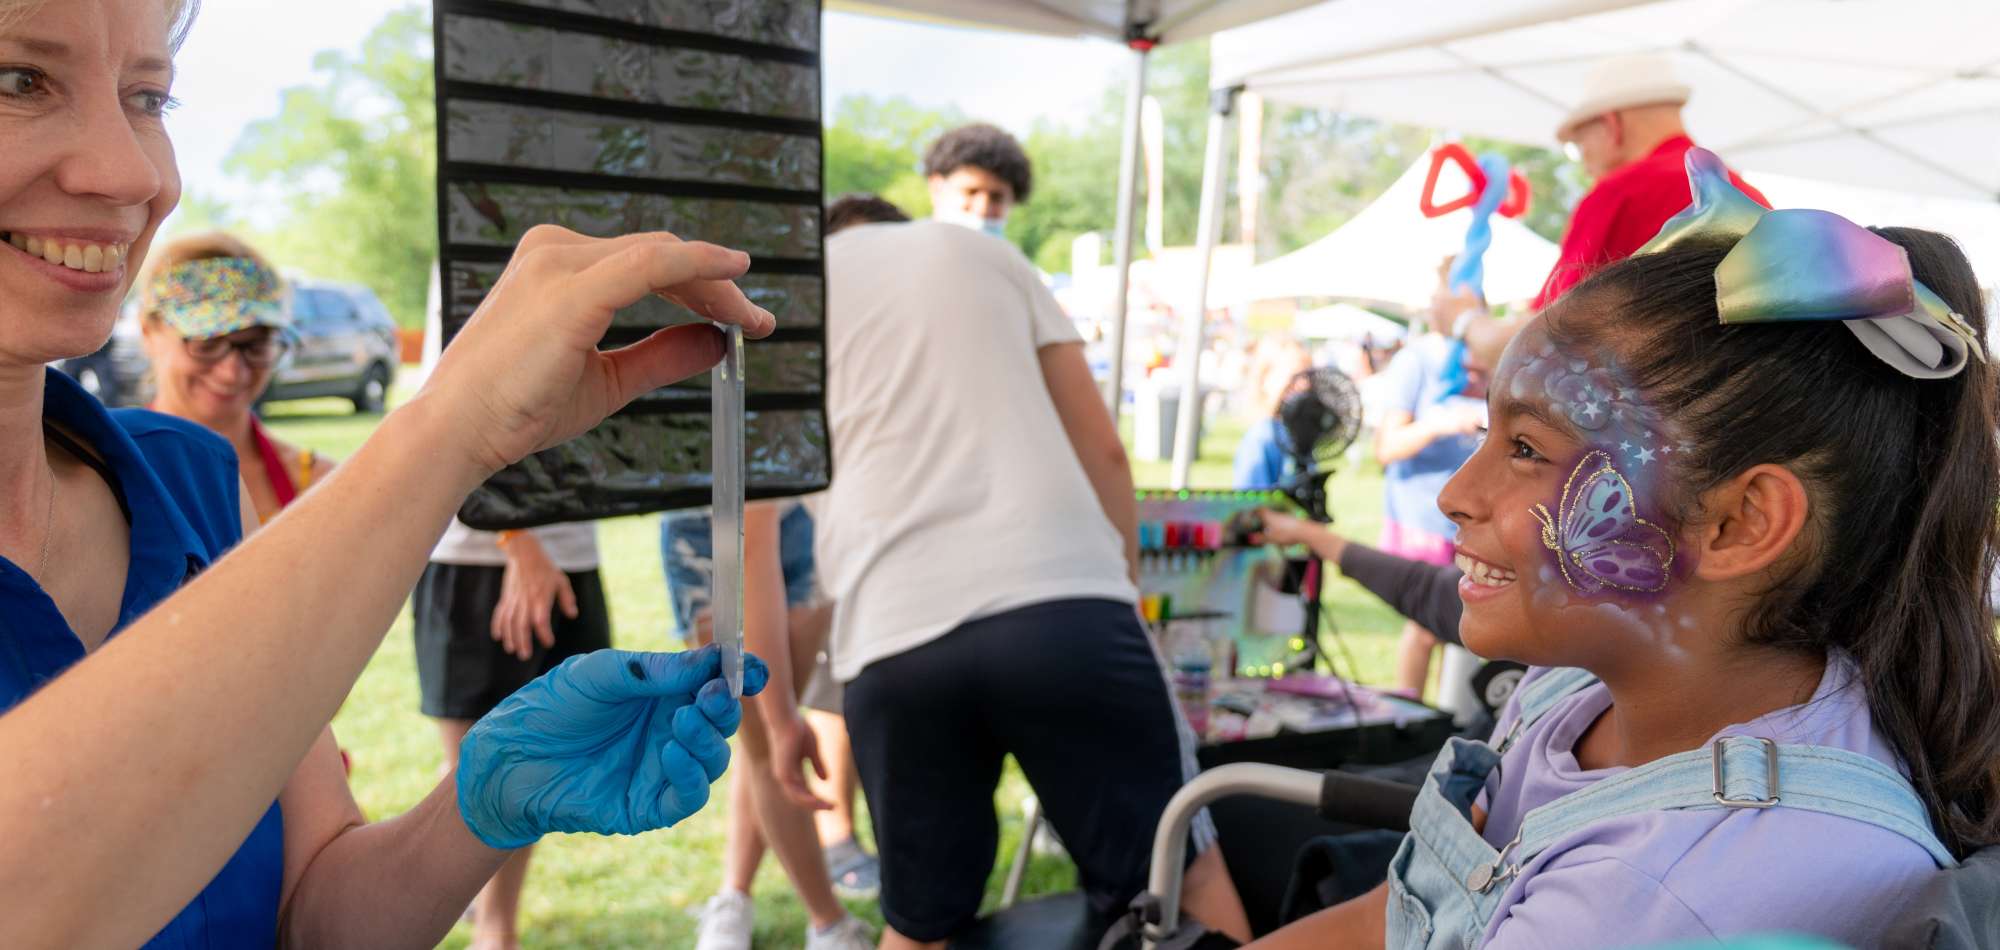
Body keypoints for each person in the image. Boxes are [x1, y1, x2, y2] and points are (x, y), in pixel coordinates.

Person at [0, 0, 776, 944]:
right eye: (19, 80)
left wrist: (481, 802)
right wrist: (451, 426)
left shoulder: (187, 483)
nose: (131, 173)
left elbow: (314, 915)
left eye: (147, 97)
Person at [1250, 152, 1997, 948]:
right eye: (1486, 434)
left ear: (1738, 524)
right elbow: (1383, 921)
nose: (1455, 494)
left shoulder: (1668, 891)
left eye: (1528, 449)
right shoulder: (1583, 685)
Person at [806, 210, 1251, 949]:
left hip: (892, 636)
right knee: (1182, 881)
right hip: (1063, 599)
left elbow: (756, 531)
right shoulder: (981, 252)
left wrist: (774, 721)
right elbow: (1105, 452)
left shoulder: (789, 301)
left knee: (917, 925)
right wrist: (1124, 596)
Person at [673, 193, 912, 950]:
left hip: (800, 528)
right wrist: (782, 719)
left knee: (765, 749)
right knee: (766, 733)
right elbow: (750, 547)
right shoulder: (770, 349)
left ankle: (734, 897)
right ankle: (826, 923)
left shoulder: (874, 346)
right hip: (714, 525)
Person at [414, 516, 609, 950]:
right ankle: (492, 933)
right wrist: (515, 540)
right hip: (479, 560)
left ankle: (495, 928)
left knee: (536, 771)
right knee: (479, 774)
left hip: (573, 556)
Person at [1534, 53, 1768, 308]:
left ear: (1612, 126)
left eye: (1580, 144)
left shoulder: (1621, 193)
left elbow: (1551, 319)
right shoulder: (1746, 194)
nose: (1585, 165)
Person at [135, 232, 335, 521]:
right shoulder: (105, 476)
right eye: (207, 344)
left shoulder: (316, 484)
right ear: (148, 334)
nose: (231, 373)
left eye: (255, 346)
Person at [1371, 262, 1490, 698]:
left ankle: (1446, 714)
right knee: (1426, 626)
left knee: (1462, 628)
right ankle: (1411, 708)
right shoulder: (1415, 361)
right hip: (1421, 519)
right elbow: (1386, 447)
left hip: (1469, 521)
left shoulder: (1484, 356)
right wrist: (1439, 424)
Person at [1232, 337, 1312, 491]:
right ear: (1265, 379)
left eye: (1307, 376)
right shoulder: (1262, 438)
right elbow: (1251, 500)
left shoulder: (1299, 435)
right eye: (1294, 377)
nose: (1304, 385)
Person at [923, 123, 1030, 236]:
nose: (982, 209)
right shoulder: (910, 244)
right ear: (936, 188)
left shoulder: (1009, 249)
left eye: (996, 198)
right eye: (971, 192)